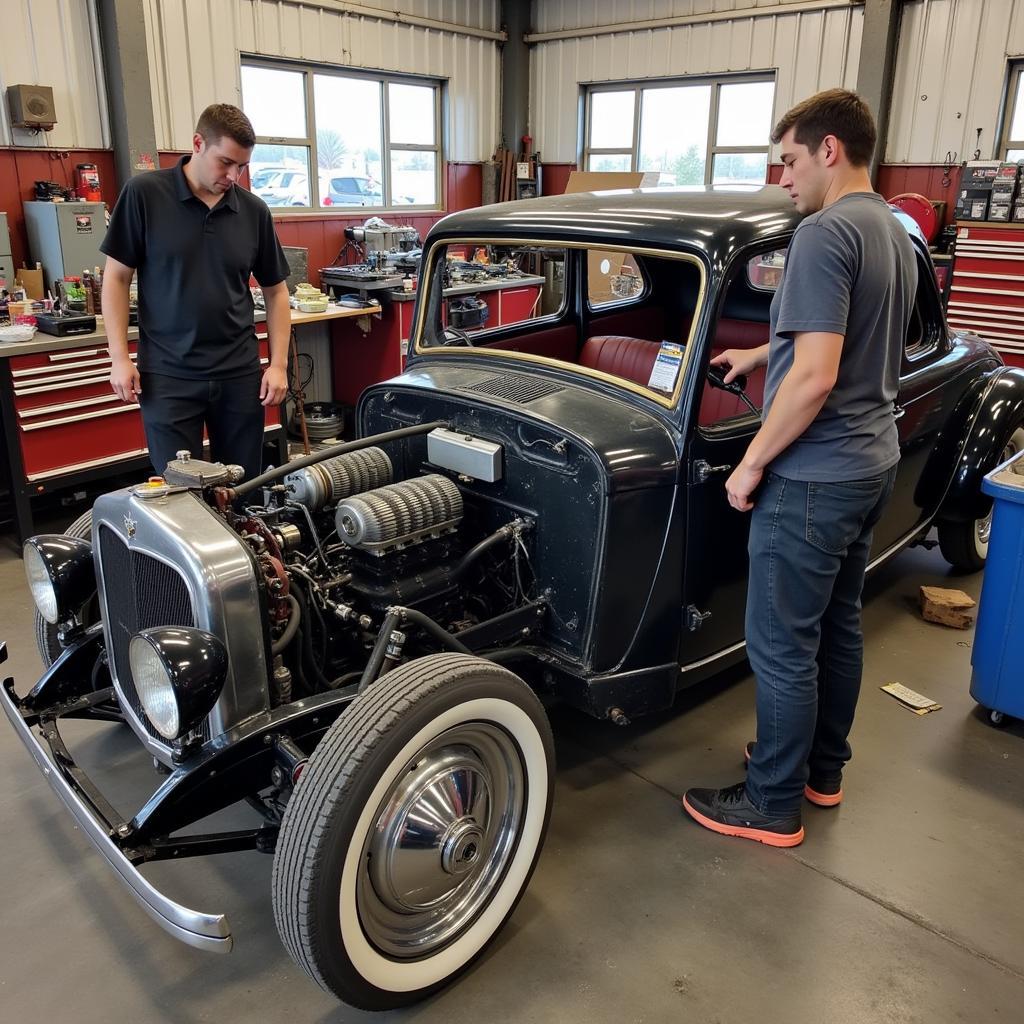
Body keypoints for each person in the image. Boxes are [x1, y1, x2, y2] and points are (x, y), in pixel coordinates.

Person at [682, 89, 918, 847]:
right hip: (869, 459)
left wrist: (749, 464)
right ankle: (821, 771)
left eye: (787, 160)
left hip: (814, 474)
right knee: (837, 629)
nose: (781, 179)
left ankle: (771, 800)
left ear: (827, 151)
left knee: (781, 644)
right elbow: (846, 344)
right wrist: (760, 353)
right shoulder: (887, 224)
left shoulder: (821, 234)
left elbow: (815, 379)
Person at [101, 103, 292, 482]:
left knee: (242, 488)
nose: (234, 176)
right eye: (226, 163)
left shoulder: (253, 211)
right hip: (168, 375)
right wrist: (119, 357)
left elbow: (276, 292)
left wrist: (279, 364)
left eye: (242, 166)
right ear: (197, 144)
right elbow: (116, 278)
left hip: (239, 376)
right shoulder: (144, 195)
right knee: (178, 494)